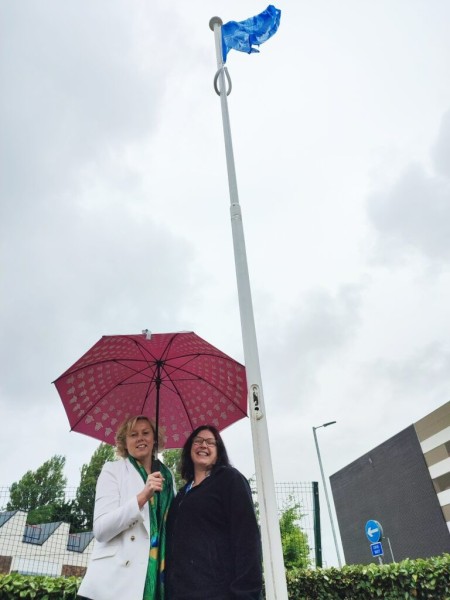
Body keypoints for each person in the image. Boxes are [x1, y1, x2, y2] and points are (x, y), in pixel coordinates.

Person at [77, 415, 174, 600]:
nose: (140, 438)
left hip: (155, 580)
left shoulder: (167, 477)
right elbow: (101, 529)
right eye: (133, 434)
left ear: (155, 439)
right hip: (112, 584)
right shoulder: (112, 470)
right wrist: (143, 497)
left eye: (146, 433)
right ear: (124, 442)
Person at [166, 425, 262, 600]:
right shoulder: (180, 495)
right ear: (189, 449)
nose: (203, 445)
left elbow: (247, 538)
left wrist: (246, 594)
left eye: (211, 442)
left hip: (219, 592)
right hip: (181, 593)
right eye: (198, 441)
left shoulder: (230, 480)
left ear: (219, 452)